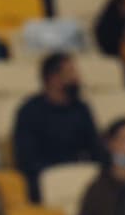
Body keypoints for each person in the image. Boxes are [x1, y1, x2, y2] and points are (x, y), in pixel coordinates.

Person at [13, 52, 106, 204]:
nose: (77, 78)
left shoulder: (81, 108)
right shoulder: (29, 112)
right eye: (70, 72)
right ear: (53, 78)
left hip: (81, 174)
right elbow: (27, 159)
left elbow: (95, 147)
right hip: (44, 182)